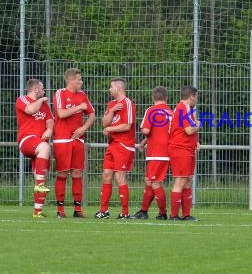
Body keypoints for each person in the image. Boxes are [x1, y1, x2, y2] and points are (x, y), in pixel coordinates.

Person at [52, 68, 96, 218]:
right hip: (62, 140)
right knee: (62, 173)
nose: (81, 82)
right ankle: (60, 210)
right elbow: (61, 114)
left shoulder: (82, 95)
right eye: (79, 79)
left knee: (77, 172)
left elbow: (92, 115)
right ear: (70, 80)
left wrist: (83, 128)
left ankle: (78, 210)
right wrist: (79, 107)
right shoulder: (60, 93)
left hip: (78, 139)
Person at [94, 78, 136, 219]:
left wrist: (110, 128)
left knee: (120, 177)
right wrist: (111, 111)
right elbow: (104, 123)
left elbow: (127, 125)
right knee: (106, 175)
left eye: (111, 87)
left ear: (118, 88)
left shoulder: (128, 103)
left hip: (124, 145)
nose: (109, 90)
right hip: (112, 145)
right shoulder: (112, 104)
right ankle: (104, 210)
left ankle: (125, 212)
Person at [15, 79, 54, 218]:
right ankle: (39, 184)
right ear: (36, 89)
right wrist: (42, 99)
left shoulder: (45, 106)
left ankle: (37, 211)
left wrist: (49, 130)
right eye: (42, 89)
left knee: (42, 175)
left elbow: (50, 121)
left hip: (40, 144)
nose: (45, 91)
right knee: (44, 147)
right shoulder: (22, 100)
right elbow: (31, 110)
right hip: (27, 139)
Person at [133, 86, 172, 220]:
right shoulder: (171, 112)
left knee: (155, 182)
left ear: (153, 97)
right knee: (149, 181)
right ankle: (143, 211)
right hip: (167, 151)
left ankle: (162, 213)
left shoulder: (151, 110)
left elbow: (146, 130)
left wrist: (144, 133)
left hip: (157, 152)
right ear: (166, 98)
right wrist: (144, 142)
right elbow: (161, 132)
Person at [168, 85, 200, 221]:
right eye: (196, 97)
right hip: (180, 149)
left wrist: (196, 142)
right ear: (191, 96)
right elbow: (188, 130)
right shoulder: (183, 107)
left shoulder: (187, 109)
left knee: (187, 181)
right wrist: (199, 124)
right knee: (180, 180)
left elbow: (185, 130)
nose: (196, 100)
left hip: (186, 148)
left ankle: (186, 215)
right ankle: (174, 215)